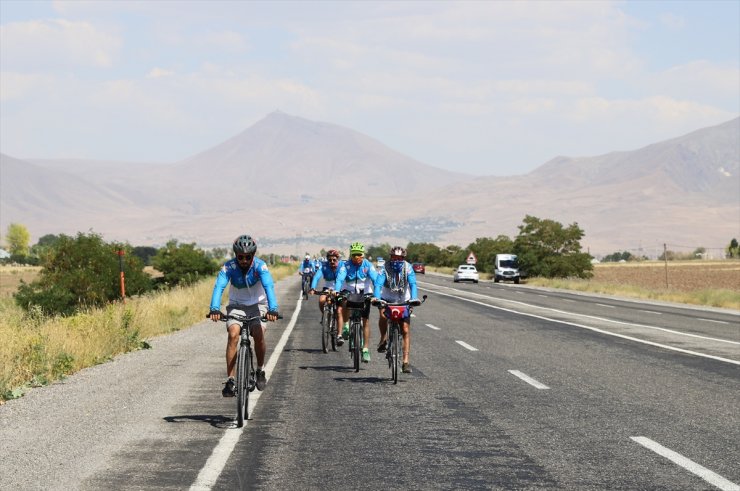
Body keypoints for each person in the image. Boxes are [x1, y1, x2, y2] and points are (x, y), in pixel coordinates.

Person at [209, 234, 280, 397]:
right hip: (237, 306)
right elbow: (219, 287)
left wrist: (273, 309)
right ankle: (231, 379)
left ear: (253, 255)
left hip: (258, 306)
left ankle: (260, 370)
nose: (244, 260)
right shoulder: (229, 267)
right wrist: (214, 309)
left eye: (248, 257)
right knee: (233, 334)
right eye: (240, 257)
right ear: (236, 255)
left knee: (258, 333)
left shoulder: (260, 267)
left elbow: (269, 285)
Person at [373, 246, 420, 373]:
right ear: (390, 257)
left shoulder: (408, 268)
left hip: (403, 299)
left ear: (403, 258)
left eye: (399, 258)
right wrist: (376, 298)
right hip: (387, 298)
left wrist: (414, 298)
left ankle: (405, 361)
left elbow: (413, 284)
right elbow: (377, 285)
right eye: (394, 258)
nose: (396, 261)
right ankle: (383, 339)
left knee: (405, 329)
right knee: (383, 316)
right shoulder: (384, 268)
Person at [334, 242, 379, 363]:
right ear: (351, 255)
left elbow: (376, 280)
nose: (357, 257)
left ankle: (365, 349)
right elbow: (339, 279)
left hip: (365, 293)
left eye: (359, 255)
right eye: (354, 255)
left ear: (363, 255)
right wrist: (336, 291)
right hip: (348, 291)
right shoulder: (345, 265)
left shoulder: (368, 265)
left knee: (365, 321)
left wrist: (377, 296)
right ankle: (346, 325)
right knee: (342, 301)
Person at [309, 249, 344, 346]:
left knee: (339, 311)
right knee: (321, 300)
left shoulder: (342, 266)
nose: (332, 262)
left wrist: (337, 291)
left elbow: (342, 279)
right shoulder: (324, 266)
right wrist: (312, 288)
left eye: (334, 260)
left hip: (339, 289)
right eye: (330, 260)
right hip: (327, 288)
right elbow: (316, 277)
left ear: (338, 259)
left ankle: (339, 335)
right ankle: (325, 315)